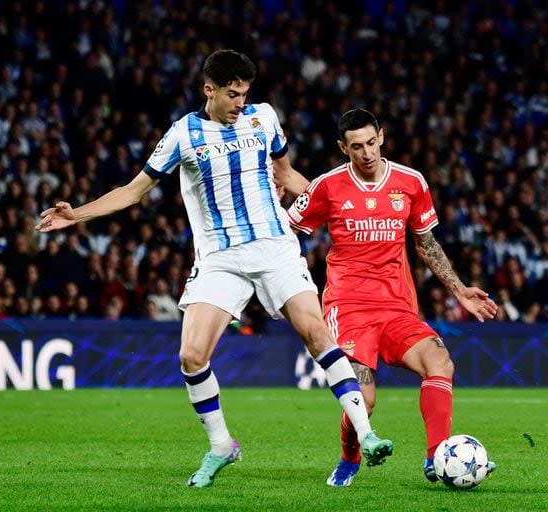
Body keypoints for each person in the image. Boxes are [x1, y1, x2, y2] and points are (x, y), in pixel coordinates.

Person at [35, 50, 392, 488]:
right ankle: (222, 445)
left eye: (244, 93)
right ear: (210, 89)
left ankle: (367, 433)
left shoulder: (264, 119)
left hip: (275, 246)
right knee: (191, 355)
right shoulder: (183, 134)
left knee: (316, 333)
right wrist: (77, 215)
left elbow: (289, 174)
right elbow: (133, 191)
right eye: (232, 94)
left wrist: (343, 214)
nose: (241, 102)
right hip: (221, 258)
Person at [283, 109, 498, 486]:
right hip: (347, 308)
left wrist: (459, 289)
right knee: (362, 399)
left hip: (396, 306)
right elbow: (286, 231)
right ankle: (350, 459)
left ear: (381, 137)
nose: (366, 153)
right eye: (356, 147)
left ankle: (436, 458)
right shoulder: (328, 186)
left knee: (440, 362)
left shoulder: (410, 182)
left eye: (370, 142)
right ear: (342, 148)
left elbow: (426, 243)